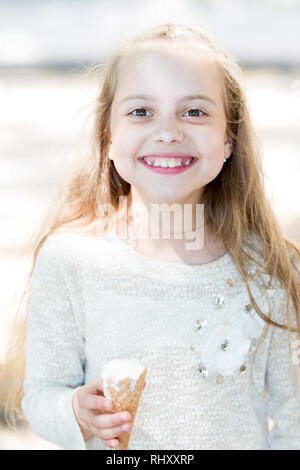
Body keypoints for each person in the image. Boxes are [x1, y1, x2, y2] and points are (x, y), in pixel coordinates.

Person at [3, 23, 300, 450]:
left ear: (229, 138)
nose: (168, 131)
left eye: (194, 111)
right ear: (108, 137)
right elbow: (42, 396)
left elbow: (293, 423)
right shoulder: (71, 259)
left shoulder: (266, 266)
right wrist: (74, 411)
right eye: (141, 111)